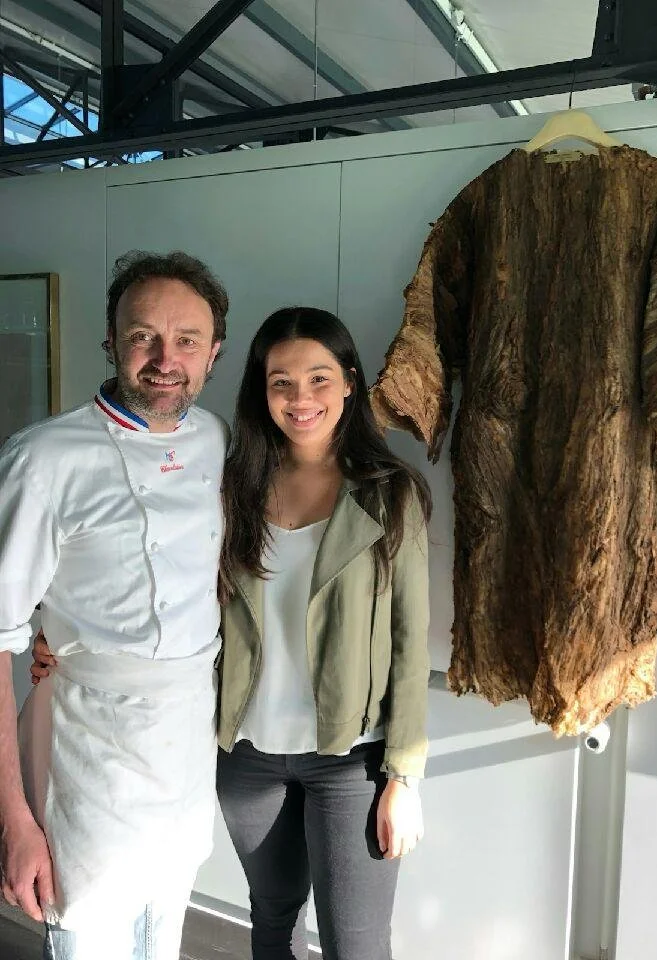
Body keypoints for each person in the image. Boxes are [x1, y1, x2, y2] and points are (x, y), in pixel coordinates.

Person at [0, 250, 229, 960]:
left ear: (214, 353)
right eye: (143, 336)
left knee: (163, 940)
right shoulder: (42, 459)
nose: (166, 359)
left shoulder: (215, 439)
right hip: (90, 761)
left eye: (187, 340)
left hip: (187, 754)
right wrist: (14, 824)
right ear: (111, 342)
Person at [214, 306, 431, 960]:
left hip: (352, 758)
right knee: (272, 923)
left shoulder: (389, 494)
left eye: (317, 378)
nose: (299, 398)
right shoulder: (233, 487)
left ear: (347, 383)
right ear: (262, 390)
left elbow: (409, 644)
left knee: (355, 946)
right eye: (281, 381)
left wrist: (404, 777)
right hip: (247, 753)